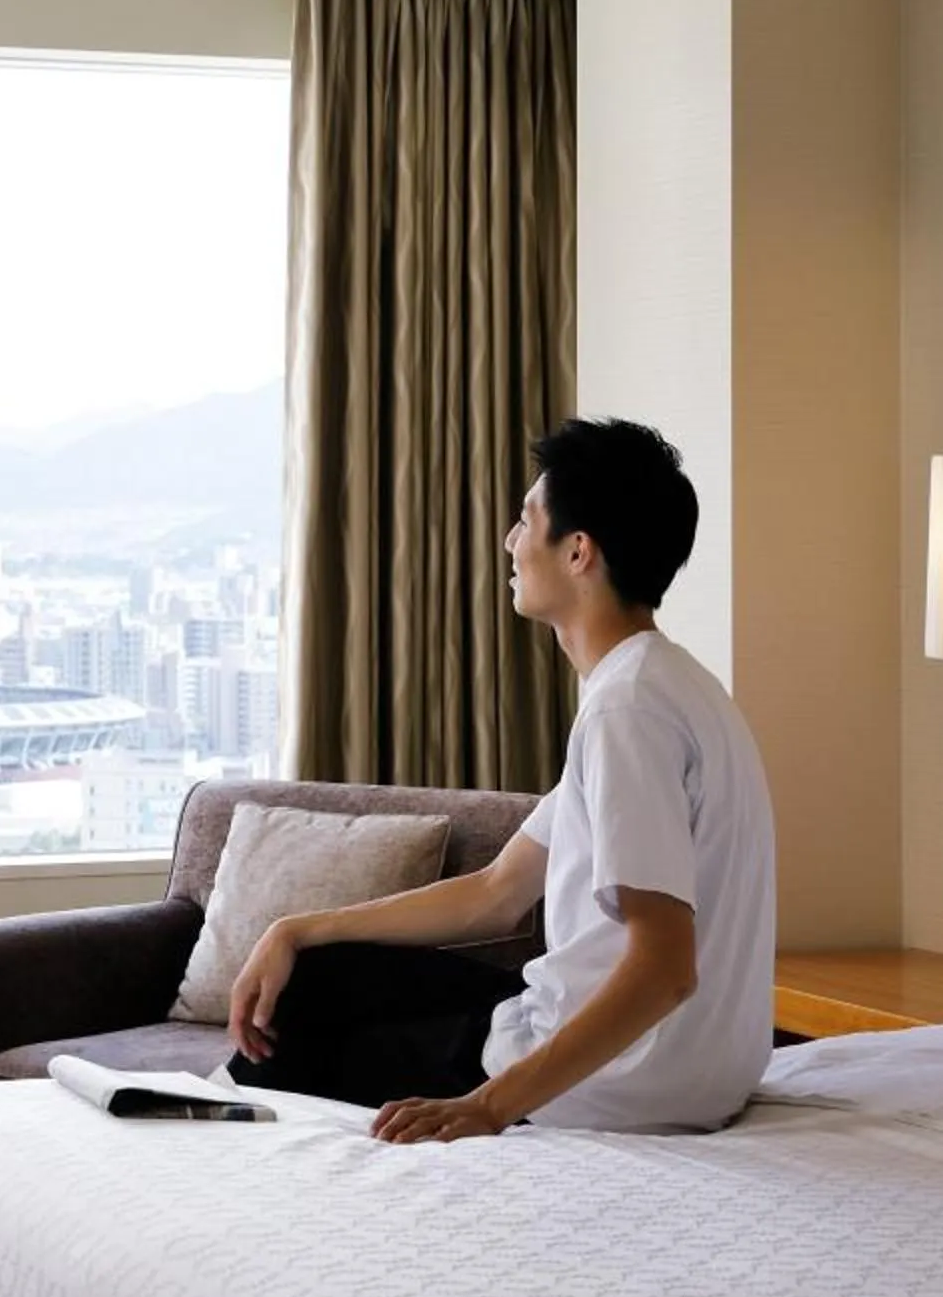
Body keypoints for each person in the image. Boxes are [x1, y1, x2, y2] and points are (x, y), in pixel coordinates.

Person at [227, 417, 775, 1141]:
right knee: (323, 968)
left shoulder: (629, 712)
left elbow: (665, 967)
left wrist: (490, 1104)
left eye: (527, 520)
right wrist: (298, 928)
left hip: (615, 1086)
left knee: (299, 1013)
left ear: (579, 551)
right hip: (690, 1076)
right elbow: (496, 894)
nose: (512, 542)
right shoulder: (672, 687)